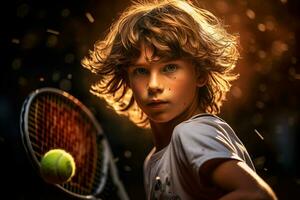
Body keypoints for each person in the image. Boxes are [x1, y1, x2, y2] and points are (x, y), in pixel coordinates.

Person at [81, 0, 278, 199]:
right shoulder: (152, 161)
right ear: (127, 79)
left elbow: (256, 195)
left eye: (170, 67)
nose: (154, 85)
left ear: (200, 73)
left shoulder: (190, 133)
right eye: (141, 71)